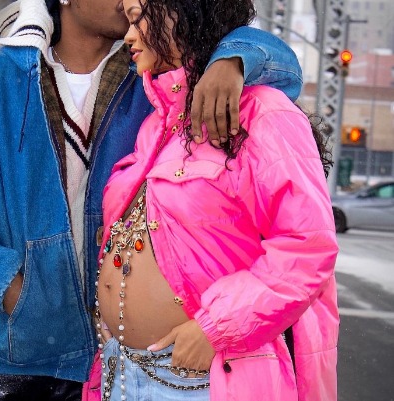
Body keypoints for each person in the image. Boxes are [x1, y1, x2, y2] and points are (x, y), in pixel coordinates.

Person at [0, 0, 304, 399]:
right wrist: (9, 286)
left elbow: (281, 66)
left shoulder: (154, 75)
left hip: (114, 367)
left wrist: (232, 61)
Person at [86, 0, 339, 399]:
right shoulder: (157, 122)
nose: (128, 36)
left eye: (136, 18)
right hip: (120, 373)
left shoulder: (263, 113)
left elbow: (307, 247)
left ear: (180, 11)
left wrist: (216, 328)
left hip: (201, 379)